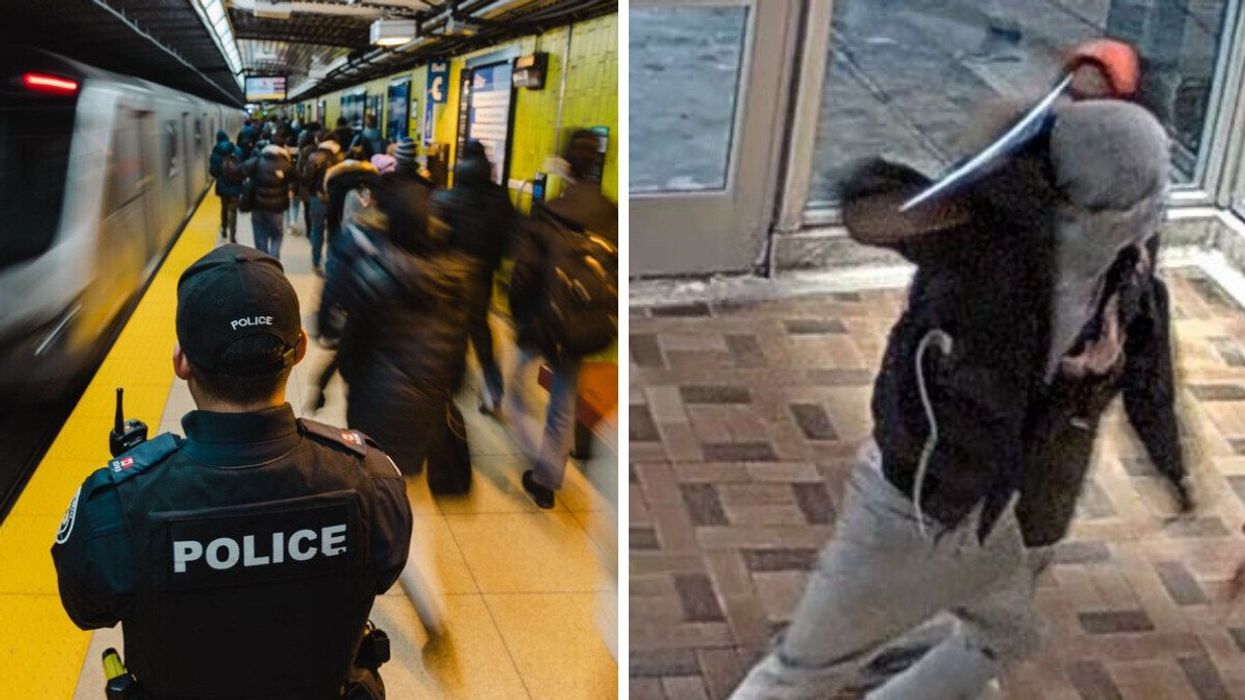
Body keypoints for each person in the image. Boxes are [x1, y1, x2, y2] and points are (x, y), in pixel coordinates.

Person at [727, 46, 1182, 699]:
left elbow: (1148, 365)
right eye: (1070, 99)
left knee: (1003, 637)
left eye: (1098, 99)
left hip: (1026, 503)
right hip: (921, 496)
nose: (1075, 109)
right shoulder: (993, 229)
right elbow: (869, 208)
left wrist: (1172, 469)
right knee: (804, 670)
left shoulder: (1128, 250)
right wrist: (990, 162)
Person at [51, 244, 412, 699]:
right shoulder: (372, 481)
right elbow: (384, 569)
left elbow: (87, 608)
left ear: (181, 362)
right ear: (299, 349)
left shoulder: (114, 506)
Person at [506, 130, 618, 508]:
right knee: (563, 402)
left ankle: (535, 455)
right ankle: (548, 477)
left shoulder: (550, 211)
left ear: (565, 165)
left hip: (541, 320)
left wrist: (519, 317)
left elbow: (524, 274)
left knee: (515, 391)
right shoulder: (610, 211)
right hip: (582, 323)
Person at [430, 140, 515, 413]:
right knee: (481, 331)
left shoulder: (448, 198)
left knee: (451, 329)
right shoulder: (499, 198)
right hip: (483, 275)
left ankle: (452, 386)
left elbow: (435, 240)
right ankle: (494, 390)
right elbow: (509, 237)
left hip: (451, 277)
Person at [301, 135, 345, 275]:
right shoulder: (341, 157)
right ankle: (331, 263)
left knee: (317, 230)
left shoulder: (314, 157)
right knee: (334, 231)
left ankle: (316, 262)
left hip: (317, 199)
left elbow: (307, 181)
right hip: (335, 200)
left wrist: (314, 191)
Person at [246, 140, 296, 258]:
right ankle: (274, 262)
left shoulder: (257, 162)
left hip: (257, 208)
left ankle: (263, 263)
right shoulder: (285, 164)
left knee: (260, 238)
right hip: (277, 209)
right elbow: (299, 178)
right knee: (276, 236)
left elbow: (239, 171)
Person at [209, 130, 245, 242]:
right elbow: (242, 168)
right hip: (236, 185)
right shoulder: (237, 150)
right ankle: (232, 236)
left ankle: (224, 228)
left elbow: (213, 172)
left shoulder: (215, 152)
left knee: (224, 207)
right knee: (233, 211)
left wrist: (221, 174)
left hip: (223, 186)